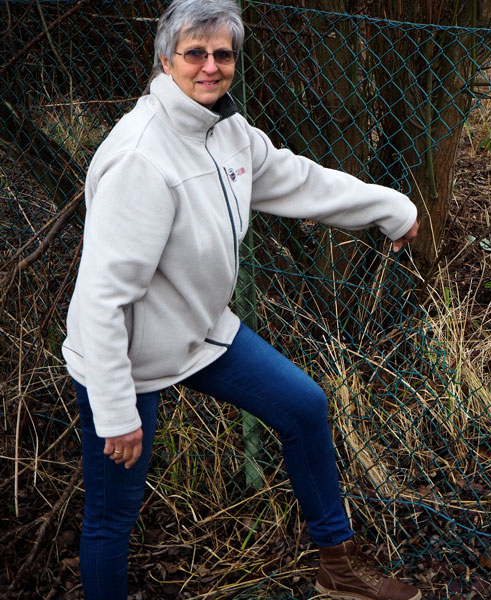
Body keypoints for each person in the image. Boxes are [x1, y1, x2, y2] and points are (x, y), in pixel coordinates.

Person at [61, 1, 421, 599]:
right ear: (163, 60)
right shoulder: (139, 159)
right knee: (111, 519)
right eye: (194, 54)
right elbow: (101, 296)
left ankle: (337, 568)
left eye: (222, 54)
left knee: (304, 407)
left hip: (201, 333)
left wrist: (390, 209)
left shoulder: (224, 129)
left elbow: (297, 180)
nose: (210, 67)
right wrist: (117, 409)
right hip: (125, 362)